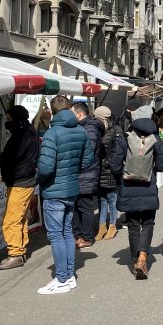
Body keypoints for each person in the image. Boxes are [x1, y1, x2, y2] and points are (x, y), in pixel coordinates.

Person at [35, 95, 95, 295]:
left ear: (52, 112)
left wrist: (38, 178)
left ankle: (62, 278)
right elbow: (87, 161)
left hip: (54, 190)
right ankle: (68, 276)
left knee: (56, 235)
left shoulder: (52, 134)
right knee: (67, 232)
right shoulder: (81, 131)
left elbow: (45, 167)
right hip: (71, 187)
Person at [111, 104, 163, 279]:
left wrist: (125, 172)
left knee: (133, 224)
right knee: (148, 223)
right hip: (147, 185)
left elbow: (114, 164)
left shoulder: (125, 137)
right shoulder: (155, 139)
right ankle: (144, 255)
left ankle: (136, 259)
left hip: (128, 186)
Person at [0, 105, 39, 270]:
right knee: (19, 218)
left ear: (16, 119)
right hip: (22, 180)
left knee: (11, 220)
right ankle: (20, 248)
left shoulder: (24, 134)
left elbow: (14, 155)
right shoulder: (28, 131)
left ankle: (15, 254)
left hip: (21, 181)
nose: (7, 122)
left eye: (9, 118)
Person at [71, 101, 104, 249]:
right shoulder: (84, 127)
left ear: (79, 114)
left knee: (85, 206)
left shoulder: (89, 128)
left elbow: (87, 153)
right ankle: (77, 235)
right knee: (77, 206)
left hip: (86, 173)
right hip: (83, 173)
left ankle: (87, 237)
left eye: (72, 113)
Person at [94, 105, 122, 241]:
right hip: (99, 171)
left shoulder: (116, 130)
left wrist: (107, 163)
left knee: (111, 199)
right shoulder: (98, 130)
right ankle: (101, 227)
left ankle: (112, 226)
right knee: (101, 200)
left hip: (110, 171)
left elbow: (118, 151)